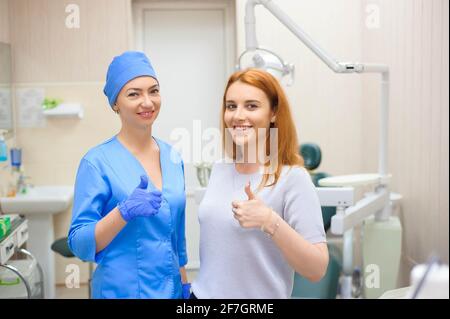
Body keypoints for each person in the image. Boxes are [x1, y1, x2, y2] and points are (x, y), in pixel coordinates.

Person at [191, 68, 329, 299]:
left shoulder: (292, 178)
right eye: (231, 106)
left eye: (251, 106)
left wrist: (270, 221)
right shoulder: (220, 169)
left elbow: (316, 269)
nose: (238, 115)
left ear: (273, 112)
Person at [68, 51, 190, 299]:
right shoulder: (96, 162)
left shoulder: (172, 157)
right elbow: (79, 243)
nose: (147, 102)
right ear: (116, 103)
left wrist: (185, 287)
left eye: (153, 91)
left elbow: (177, 236)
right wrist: (122, 212)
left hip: (172, 291)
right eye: (134, 94)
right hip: (121, 292)